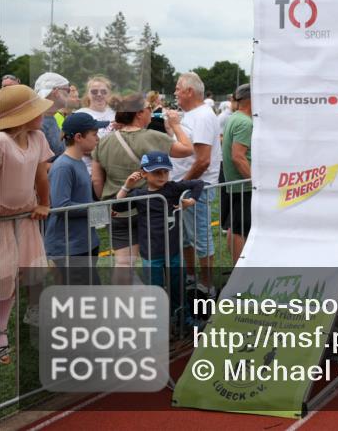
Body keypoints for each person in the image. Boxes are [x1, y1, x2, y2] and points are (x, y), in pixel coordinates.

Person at [91, 93, 193, 277]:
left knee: (123, 263)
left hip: (118, 209)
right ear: (139, 113)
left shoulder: (104, 141)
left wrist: (110, 202)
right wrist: (176, 125)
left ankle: (121, 303)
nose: (151, 111)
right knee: (157, 260)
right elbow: (187, 149)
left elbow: (97, 180)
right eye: (148, 108)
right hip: (150, 208)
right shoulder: (154, 137)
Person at [117, 152, 204, 324]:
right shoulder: (138, 194)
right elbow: (118, 205)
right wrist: (127, 186)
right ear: (144, 173)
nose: (162, 176)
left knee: (177, 286)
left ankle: (183, 317)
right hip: (151, 253)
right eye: (157, 172)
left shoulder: (172, 188)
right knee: (154, 290)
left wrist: (191, 201)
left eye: (165, 171)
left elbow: (198, 183)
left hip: (173, 250)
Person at [0, 85, 53, 364]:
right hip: (2, 219)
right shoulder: (0, 142)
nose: (42, 114)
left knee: (24, 272)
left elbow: (41, 175)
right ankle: (1, 333)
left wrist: (44, 203)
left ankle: (2, 328)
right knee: (2, 275)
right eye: (35, 109)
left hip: (25, 217)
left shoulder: (38, 137)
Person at [171, 72, 221, 302]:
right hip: (186, 186)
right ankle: (192, 277)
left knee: (200, 237)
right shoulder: (190, 115)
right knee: (186, 238)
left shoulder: (202, 116)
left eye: (178, 88)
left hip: (196, 187)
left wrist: (184, 184)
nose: (175, 92)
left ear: (190, 91)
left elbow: (203, 160)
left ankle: (207, 286)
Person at [45, 112, 108, 285]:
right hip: (69, 247)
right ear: (79, 137)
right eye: (94, 134)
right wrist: (99, 209)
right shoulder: (63, 167)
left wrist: (101, 212)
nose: (98, 138)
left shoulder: (78, 161)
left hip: (84, 242)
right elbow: (61, 206)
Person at [220, 84, 252, 262]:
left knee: (235, 226)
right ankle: (240, 270)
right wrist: (253, 181)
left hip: (236, 182)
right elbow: (238, 157)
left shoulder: (235, 118)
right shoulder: (244, 122)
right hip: (243, 184)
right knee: (241, 227)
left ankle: (237, 267)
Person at [34, 72, 71, 160]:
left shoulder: (49, 118)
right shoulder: (37, 123)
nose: (69, 94)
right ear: (56, 92)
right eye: (67, 90)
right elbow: (37, 166)